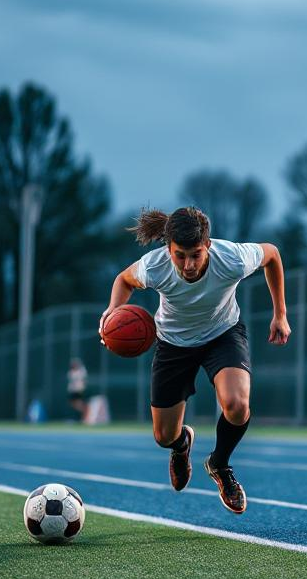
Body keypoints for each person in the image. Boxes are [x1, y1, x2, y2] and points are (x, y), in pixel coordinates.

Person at [99, 207, 290, 514]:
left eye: (196, 254)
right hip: (173, 344)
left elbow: (272, 255)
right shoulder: (154, 266)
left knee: (238, 405)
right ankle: (181, 445)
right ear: (168, 249)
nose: (188, 264)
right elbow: (124, 280)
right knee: (164, 437)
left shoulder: (233, 258)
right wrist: (111, 313)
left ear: (208, 245)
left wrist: (279, 314)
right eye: (180, 255)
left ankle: (220, 464)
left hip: (223, 335)